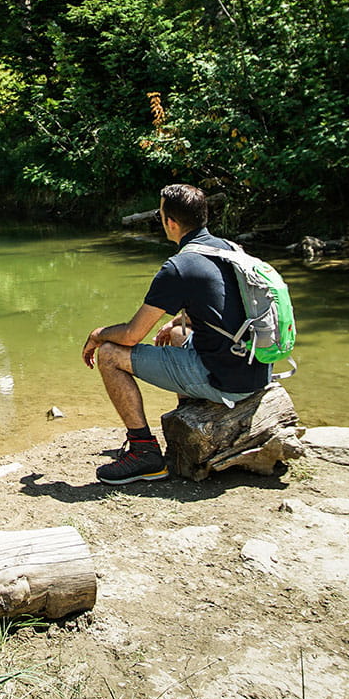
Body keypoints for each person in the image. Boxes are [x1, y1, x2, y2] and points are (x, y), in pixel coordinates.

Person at [82, 183, 273, 484]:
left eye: (161, 214)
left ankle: (145, 454)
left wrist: (97, 333)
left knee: (108, 354)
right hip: (256, 370)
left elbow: (132, 335)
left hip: (226, 380)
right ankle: (191, 417)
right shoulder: (228, 248)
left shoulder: (179, 267)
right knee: (176, 333)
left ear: (169, 222)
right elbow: (226, 308)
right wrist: (176, 322)